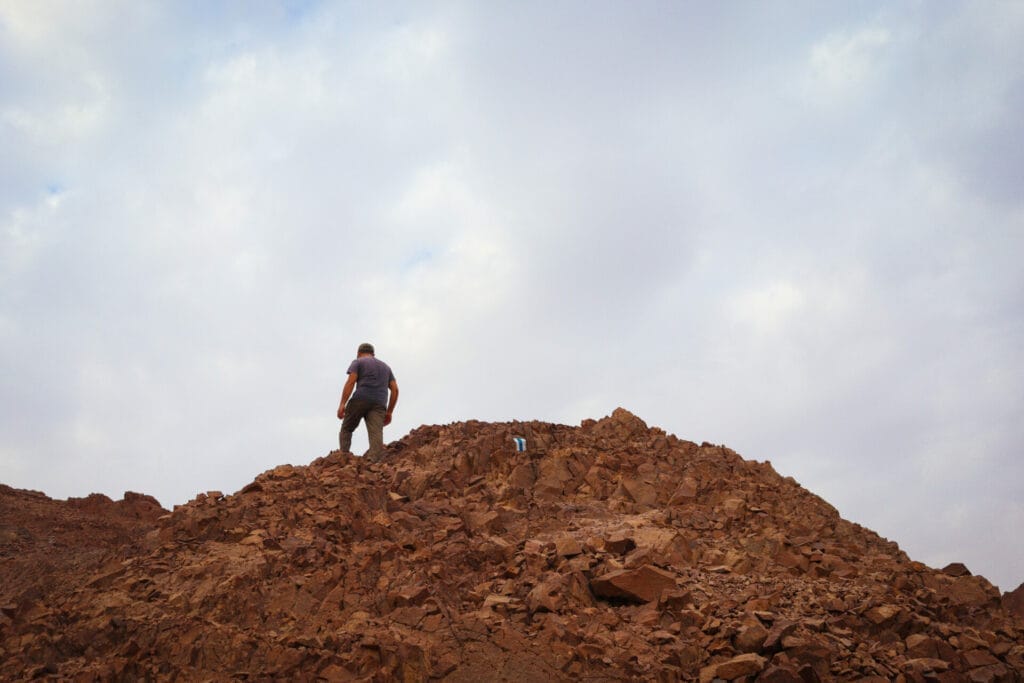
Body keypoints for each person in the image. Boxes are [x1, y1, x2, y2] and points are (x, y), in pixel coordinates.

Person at [337, 342, 398, 459]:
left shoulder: (358, 362)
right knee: (376, 434)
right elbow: (395, 390)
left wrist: (342, 404)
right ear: (373, 354)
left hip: (360, 399)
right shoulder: (386, 368)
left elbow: (350, 382)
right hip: (379, 403)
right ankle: (373, 463)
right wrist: (389, 412)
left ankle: (343, 457)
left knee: (347, 428)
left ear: (358, 353)